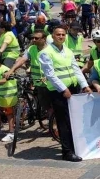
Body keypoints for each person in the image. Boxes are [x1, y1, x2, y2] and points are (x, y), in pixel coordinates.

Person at [39, 26, 92, 162]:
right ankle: (67, 152)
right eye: (58, 34)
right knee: (63, 122)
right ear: (53, 36)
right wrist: (63, 89)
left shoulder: (67, 51)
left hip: (73, 89)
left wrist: (84, 85)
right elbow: (50, 74)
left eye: (63, 34)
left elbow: (76, 70)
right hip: (59, 92)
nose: (61, 37)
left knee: (74, 120)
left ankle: (75, 147)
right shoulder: (46, 53)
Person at [6, 29, 50, 119]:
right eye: (32, 38)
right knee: (44, 104)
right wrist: (12, 70)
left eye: (36, 38)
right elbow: (22, 60)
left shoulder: (51, 49)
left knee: (51, 106)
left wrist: (47, 77)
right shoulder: (31, 48)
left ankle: (53, 127)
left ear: (44, 39)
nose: (33, 40)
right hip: (38, 82)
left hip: (50, 82)